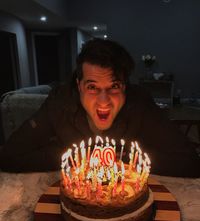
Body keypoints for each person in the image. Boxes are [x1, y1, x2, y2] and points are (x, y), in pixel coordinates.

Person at [0, 38, 199, 177]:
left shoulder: (139, 102)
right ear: (79, 86)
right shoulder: (59, 102)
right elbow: (9, 157)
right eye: (92, 87)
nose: (104, 101)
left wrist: (127, 157)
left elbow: (190, 162)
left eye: (114, 86)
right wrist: (69, 156)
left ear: (125, 87)